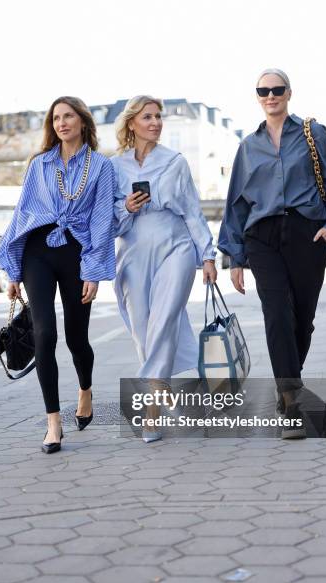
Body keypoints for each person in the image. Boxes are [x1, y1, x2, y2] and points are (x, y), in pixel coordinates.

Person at [218, 69, 326, 440]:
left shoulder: (314, 135)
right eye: (263, 90)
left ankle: (288, 386)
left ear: (289, 93)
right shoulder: (249, 146)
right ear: (257, 96)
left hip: (305, 233)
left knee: (303, 320)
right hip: (261, 238)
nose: (270, 95)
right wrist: (235, 256)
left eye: (276, 89)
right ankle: (290, 401)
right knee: (277, 312)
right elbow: (236, 203)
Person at [0, 96, 116, 453]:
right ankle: (53, 422)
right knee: (44, 333)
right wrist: (14, 270)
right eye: (56, 118)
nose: (62, 123)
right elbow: (23, 215)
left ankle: (85, 391)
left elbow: (101, 221)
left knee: (77, 339)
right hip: (38, 252)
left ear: (82, 121)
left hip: (77, 253)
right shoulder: (39, 165)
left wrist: (93, 270)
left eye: (68, 116)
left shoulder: (101, 166)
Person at [111, 95, 217, 443]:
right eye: (148, 117)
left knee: (163, 322)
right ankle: (162, 388)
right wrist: (126, 205)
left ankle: (150, 411)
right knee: (143, 328)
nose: (155, 122)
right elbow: (107, 217)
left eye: (158, 116)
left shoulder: (175, 162)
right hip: (132, 252)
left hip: (176, 247)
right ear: (131, 123)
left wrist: (207, 255)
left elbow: (191, 211)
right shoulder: (114, 167)